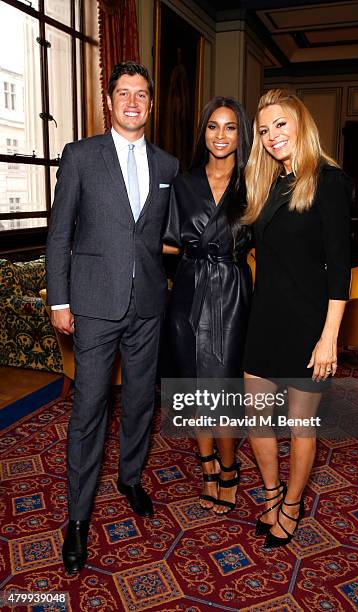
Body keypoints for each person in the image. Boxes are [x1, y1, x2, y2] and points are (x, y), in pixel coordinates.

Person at [46, 61, 179, 575]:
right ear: (109, 100)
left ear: (151, 104)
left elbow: (164, 236)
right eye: (122, 93)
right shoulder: (80, 156)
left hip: (148, 307)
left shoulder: (167, 166)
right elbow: (60, 232)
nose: (132, 102)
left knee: (143, 402)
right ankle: (77, 520)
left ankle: (129, 478)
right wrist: (60, 300)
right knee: (88, 412)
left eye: (141, 95)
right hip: (94, 307)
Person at [243, 89, 351, 548]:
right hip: (264, 320)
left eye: (280, 125)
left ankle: (292, 502)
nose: (272, 136)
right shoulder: (267, 183)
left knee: (302, 427)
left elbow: (341, 268)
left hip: (309, 325)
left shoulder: (328, 180)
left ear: (301, 123)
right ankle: (271, 492)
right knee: (257, 419)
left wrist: (329, 338)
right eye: (264, 131)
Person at [163, 96, 252, 514]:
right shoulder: (183, 182)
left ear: (241, 133)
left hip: (231, 292)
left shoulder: (254, 183)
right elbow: (165, 240)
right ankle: (207, 469)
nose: (221, 135)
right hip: (187, 289)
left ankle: (230, 469)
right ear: (203, 132)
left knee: (222, 388)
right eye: (213, 126)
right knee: (191, 388)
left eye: (230, 127)